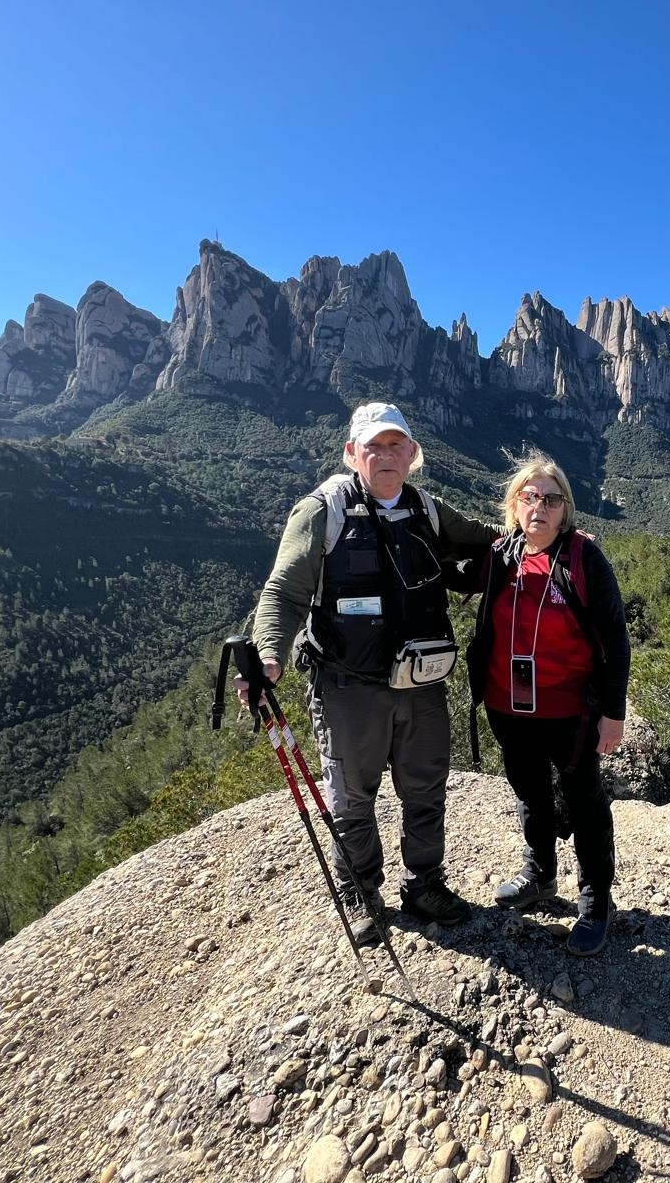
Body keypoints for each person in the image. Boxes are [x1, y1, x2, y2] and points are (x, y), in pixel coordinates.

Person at [246, 402, 500, 945]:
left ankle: (425, 884)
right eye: (373, 446)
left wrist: (556, 532)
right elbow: (284, 592)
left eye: (395, 445)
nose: (385, 455)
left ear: (412, 453)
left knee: (426, 789)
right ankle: (360, 892)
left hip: (420, 683)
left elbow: (488, 540)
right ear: (351, 453)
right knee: (351, 798)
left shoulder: (427, 509)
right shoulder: (322, 511)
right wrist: (269, 655)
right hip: (348, 686)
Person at [462, 458, 631, 956]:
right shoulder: (501, 555)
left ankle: (595, 901)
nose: (540, 506)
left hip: (570, 711)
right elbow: (448, 575)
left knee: (584, 799)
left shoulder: (583, 558)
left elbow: (616, 640)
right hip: (507, 705)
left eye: (551, 499)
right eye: (530, 496)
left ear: (565, 510)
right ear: (514, 505)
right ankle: (540, 874)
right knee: (529, 790)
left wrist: (614, 714)